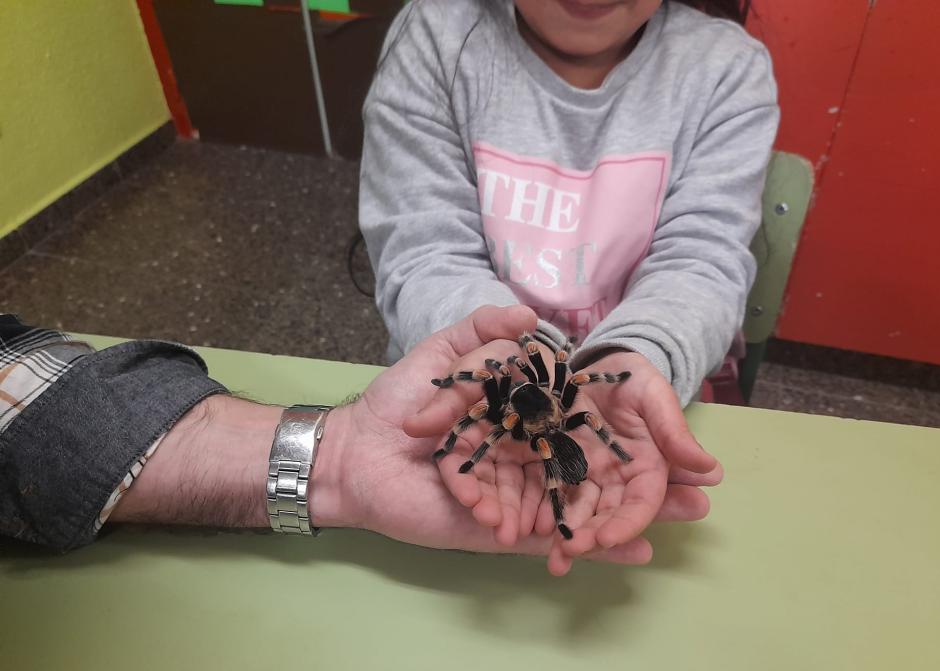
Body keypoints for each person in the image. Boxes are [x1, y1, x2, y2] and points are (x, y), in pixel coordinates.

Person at [360, 0, 775, 559]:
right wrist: (491, 354)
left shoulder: (727, 67)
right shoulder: (436, 34)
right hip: (454, 402)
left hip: (637, 409)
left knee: (539, 450)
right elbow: (426, 250)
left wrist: (634, 357)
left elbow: (701, 261)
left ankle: (563, 497)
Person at [0, 307, 720, 575]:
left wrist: (617, 359)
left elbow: (485, 427)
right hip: (551, 421)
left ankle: (564, 510)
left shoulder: (520, 412)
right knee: (556, 443)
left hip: (545, 426)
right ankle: (566, 512)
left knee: (544, 451)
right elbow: (490, 410)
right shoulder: (549, 406)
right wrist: (350, 451)